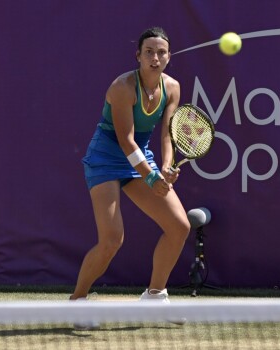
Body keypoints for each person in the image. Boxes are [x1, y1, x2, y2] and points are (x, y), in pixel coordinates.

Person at [71, 27, 190, 309]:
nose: (155, 58)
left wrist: (165, 166)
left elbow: (167, 134)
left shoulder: (172, 87)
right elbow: (125, 141)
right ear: (138, 56)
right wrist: (151, 178)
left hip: (142, 156)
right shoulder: (122, 87)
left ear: (169, 57)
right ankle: (77, 300)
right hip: (106, 157)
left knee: (179, 227)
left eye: (161, 53)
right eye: (149, 52)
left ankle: (155, 296)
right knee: (112, 240)